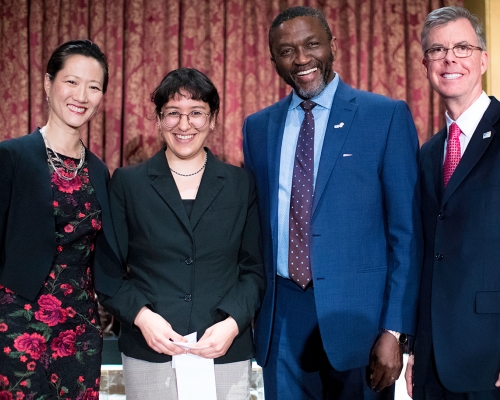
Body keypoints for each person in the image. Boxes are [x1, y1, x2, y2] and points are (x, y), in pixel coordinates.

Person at [242, 6, 422, 399]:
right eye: (287, 51)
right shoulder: (257, 128)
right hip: (283, 320)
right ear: (273, 61)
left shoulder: (384, 116)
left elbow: (406, 233)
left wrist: (395, 330)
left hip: (362, 325)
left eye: (312, 45)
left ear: (333, 46)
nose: (302, 59)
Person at [98, 67, 266, 400]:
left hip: (223, 349)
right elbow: (108, 272)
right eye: (172, 113)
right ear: (159, 120)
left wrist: (233, 323)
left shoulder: (240, 184)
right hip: (151, 348)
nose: (184, 124)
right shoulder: (128, 184)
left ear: (213, 119)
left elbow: (255, 271)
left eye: (196, 113)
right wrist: (143, 318)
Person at [0, 39, 120, 399]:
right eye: (71, 81)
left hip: (81, 327)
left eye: (94, 86)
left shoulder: (99, 172)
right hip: (15, 322)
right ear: (48, 83)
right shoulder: (11, 157)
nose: (81, 95)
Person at [405, 6, 500, 399]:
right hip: (432, 359)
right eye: (437, 50)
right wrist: (414, 349)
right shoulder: (428, 153)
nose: (450, 59)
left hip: (489, 356)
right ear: (425, 64)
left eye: (462, 47)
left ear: (483, 58)